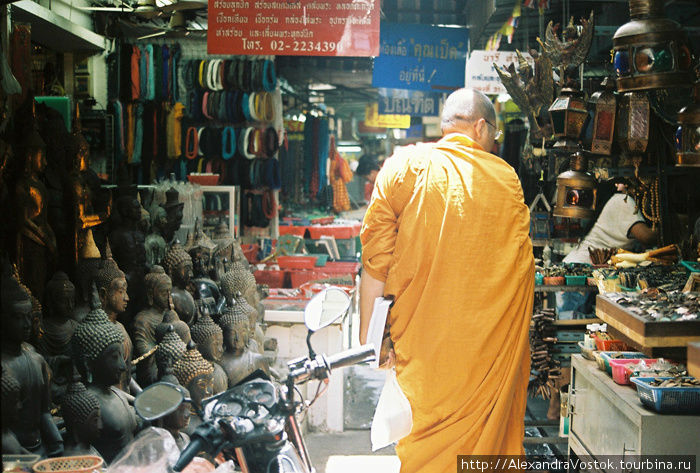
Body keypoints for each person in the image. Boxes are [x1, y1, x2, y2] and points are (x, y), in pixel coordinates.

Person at [359, 88, 534, 471]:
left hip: (424, 353)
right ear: (482, 127)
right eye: (496, 136)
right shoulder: (505, 179)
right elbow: (521, 273)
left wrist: (372, 341)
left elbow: (375, 265)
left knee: (426, 452)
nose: (495, 144)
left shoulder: (403, 167)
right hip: (485, 354)